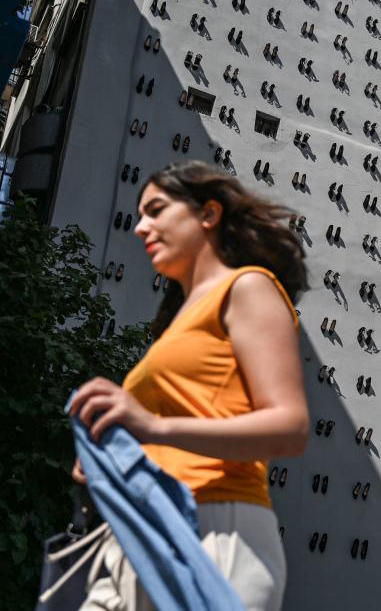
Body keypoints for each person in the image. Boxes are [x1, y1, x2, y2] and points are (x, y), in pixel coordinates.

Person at [69, 160, 310, 610]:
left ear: (208, 214)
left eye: (156, 210)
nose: (141, 227)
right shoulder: (175, 322)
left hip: (215, 531)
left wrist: (151, 428)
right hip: (138, 534)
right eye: (140, 215)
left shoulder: (249, 288)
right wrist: (111, 461)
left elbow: (290, 428)